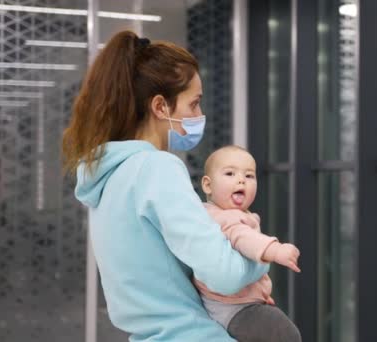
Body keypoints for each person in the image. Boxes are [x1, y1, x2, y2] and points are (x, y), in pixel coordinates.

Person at [62, 30, 269, 341]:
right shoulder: (157, 168)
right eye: (194, 104)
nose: (200, 115)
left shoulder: (107, 175)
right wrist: (262, 255)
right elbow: (224, 275)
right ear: (160, 107)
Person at [194, 145, 302, 341]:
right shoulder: (222, 218)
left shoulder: (239, 215)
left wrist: (258, 293)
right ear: (208, 185)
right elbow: (243, 238)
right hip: (230, 308)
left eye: (249, 176)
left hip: (239, 303)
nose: (241, 179)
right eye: (230, 173)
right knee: (285, 334)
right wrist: (275, 250)